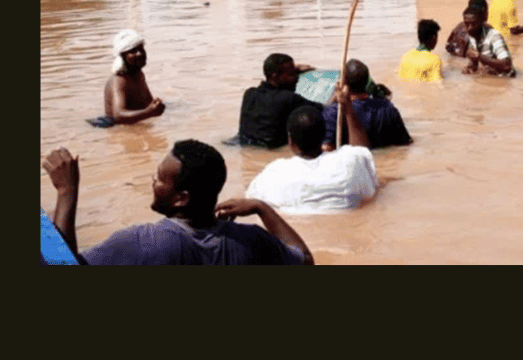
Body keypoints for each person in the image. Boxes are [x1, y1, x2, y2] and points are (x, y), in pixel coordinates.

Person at [41, 142, 314, 265]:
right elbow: (305, 261)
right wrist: (260, 207)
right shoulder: (250, 240)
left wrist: (67, 192)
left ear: (181, 198)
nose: (153, 181)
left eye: (160, 179)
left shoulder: (144, 243)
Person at [245, 81, 378, 213]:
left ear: (290, 141)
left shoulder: (274, 172)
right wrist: (348, 108)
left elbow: (251, 198)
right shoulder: (349, 163)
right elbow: (363, 152)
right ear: (324, 135)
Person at [320, 59, 412, 150]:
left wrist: (331, 102)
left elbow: (327, 148)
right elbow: (406, 143)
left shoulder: (334, 112)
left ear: (343, 83)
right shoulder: (387, 107)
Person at [236, 53, 319, 148]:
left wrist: (291, 71)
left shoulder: (249, 94)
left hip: (243, 144)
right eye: (291, 74)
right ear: (275, 77)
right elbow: (322, 110)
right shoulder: (288, 98)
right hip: (272, 149)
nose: (296, 78)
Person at [99, 29, 165, 126]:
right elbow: (119, 115)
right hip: (115, 129)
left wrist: (156, 106)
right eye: (133, 51)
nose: (140, 54)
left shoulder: (139, 74)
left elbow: (148, 103)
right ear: (123, 56)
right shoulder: (118, 81)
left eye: (141, 49)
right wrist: (149, 112)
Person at [461, 5, 514, 77]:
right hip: (492, 77)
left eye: (473, 23)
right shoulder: (473, 35)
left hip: (505, 79)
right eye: (466, 24)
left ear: (482, 21)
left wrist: (479, 56)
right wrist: (470, 68)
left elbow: (507, 65)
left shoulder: (494, 36)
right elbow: (475, 61)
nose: (469, 28)